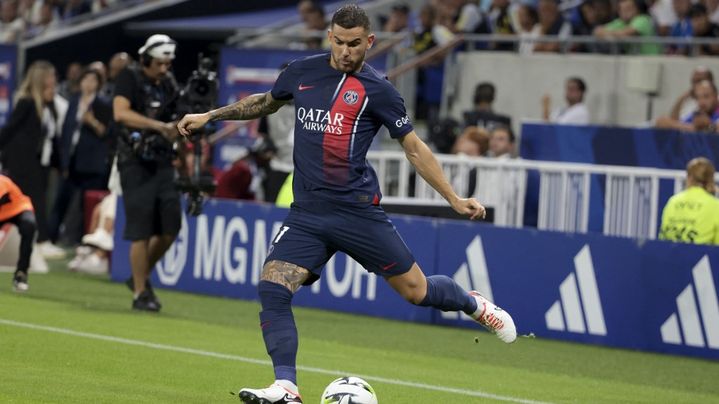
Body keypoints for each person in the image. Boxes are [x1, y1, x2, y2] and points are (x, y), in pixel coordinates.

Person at [178, 5, 517, 404]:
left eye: (354, 44)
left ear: (369, 42)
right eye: (338, 42)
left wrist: (454, 199)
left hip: (357, 213)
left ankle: (472, 303)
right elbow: (265, 102)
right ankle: (286, 386)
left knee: (417, 292)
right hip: (307, 213)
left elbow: (414, 148)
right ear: (329, 38)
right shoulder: (302, 72)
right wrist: (211, 115)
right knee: (273, 287)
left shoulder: (380, 91)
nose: (345, 52)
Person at [113, 34, 181, 312]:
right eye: (159, 63)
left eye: (168, 64)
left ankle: (139, 276)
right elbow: (120, 113)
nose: (164, 69)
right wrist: (158, 126)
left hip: (164, 161)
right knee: (141, 230)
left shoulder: (169, 84)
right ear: (145, 59)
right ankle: (140, 292)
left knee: (170, 227)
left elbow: (178, 116)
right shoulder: (129, 77)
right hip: (134, 161)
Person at [0, 60, 67, 259]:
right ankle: (41, 241)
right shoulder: (27, 102)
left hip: (41, 162)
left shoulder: (51, 104)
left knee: (37, 200)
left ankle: (38, 239)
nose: (54, 80)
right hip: (22, 162)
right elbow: (10, 129)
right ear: (41, 79)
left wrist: (59, 164)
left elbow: (52, 137)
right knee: (31, 201)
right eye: (51, 76)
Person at [49, 67, 112, 245]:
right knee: (60, 203)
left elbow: (107, 133)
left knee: (87, 207)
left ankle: (85, 243)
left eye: (93, 80)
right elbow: (66, 132)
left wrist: (91, 121)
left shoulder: (103, 103)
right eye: (86, 79)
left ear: (98, 84)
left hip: (91, 164)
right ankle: (49, 239)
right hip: (71, 161)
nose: (88, 84)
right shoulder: (73, 101)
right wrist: (63, 160)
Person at [659, 157, 719, 245]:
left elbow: (662, 237)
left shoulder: (673, 201)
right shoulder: (715, 205)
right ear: (711, 179)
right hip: (701, 256)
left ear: (689, 177)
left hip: (670, 256)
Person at [0, 174, 36, 291]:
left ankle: (21, 274)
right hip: (2, 213)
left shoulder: (2, 182)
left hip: (18, 208)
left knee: (29, 226)